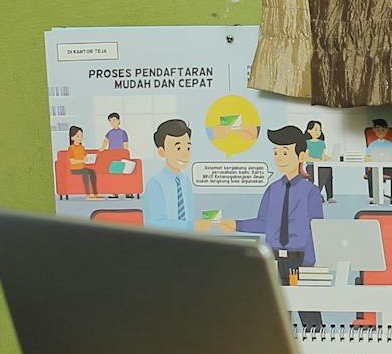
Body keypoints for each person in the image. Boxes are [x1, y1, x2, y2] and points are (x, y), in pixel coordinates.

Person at [237, 125, 326, 327]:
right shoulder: (272, 190)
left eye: (284, 152)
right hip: (274, 259)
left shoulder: (310, 192)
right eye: (276, 152)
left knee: (309, 316)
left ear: (301, 154)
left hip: (300, 260)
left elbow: (316, 229)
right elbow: (263, 223)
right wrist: (235, 224)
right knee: (277, 318)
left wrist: (309, 265)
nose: (279, 157)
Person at [137, 118, 227, 232]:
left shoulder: (185, 181)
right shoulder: (155, 183)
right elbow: (154, 223)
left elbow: (189, 216)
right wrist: (192, 226)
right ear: (161, 151)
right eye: (178, 148)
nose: (185, 154)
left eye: (188, 148)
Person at [307, 119, 334, 203]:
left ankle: (329, 197)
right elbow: (306, 157)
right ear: (309, 130)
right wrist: (315, 160)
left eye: (319, 130)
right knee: (326, 170)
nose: (318, 132)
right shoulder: (306, 143)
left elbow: (322, 155)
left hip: (320, 165)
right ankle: (316, 194)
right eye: (315, 130)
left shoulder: (321, 143)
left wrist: (329, 158)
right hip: (311, 165)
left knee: (328, 169)